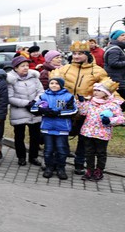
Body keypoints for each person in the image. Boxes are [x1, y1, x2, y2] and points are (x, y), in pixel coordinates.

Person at [52, 40, 109, 175]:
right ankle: (59, 161)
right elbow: (55, 87)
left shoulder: (97, 71)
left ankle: (79, 164)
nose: (76, 56)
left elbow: (107, 90)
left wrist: (115, 104)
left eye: (80, 53)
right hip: (65, 107)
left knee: (83, 139)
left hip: (87, 109)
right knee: (62, 135)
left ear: (87, 54)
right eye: (74, 53)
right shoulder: (65, 69)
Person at [75, 78, 124, 181]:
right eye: (95, 90)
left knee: (101, 153)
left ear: (106, 93)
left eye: (99, 90)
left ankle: (99, 171)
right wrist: (82, 102)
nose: (95, 92)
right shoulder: (91, 102)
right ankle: (89, 170)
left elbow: (121, 118)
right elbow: (83, 112)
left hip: (102, 134)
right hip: (88, 132)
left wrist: (110, 120)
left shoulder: (113, 105)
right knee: (89, 153)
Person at [31, 77, 77, 179]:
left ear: (61, 85)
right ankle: (49, 168)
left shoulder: (68, 96)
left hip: (62, 128)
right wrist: (44, 110)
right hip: (47, 128)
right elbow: (33, 108)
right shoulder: (43, 96)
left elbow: (73, 110)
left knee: (61, 150)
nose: (54, 85)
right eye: (52, 83)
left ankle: (61, 168)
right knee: (48, 150)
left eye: (57, 83)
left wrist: (59, 113)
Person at [7, 55, 44, 166]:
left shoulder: (34, 77)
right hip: (19, 111)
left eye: (27, 65)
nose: (26, 68)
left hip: (34, 110)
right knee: (19, 136)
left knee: (35, 136)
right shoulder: (10, 80)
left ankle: (33, 157)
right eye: (22, 66)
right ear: (15, 68)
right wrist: (26, 103)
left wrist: (35, 102)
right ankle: (21, 157)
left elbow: (41, 91)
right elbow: (10, 97)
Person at [103, 30, 125, 99]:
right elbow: (113, 63)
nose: (124, 37)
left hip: (118, 79)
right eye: (122, 35)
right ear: (116, 38)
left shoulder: (117, 48)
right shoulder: (115, 49)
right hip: (116, 80)